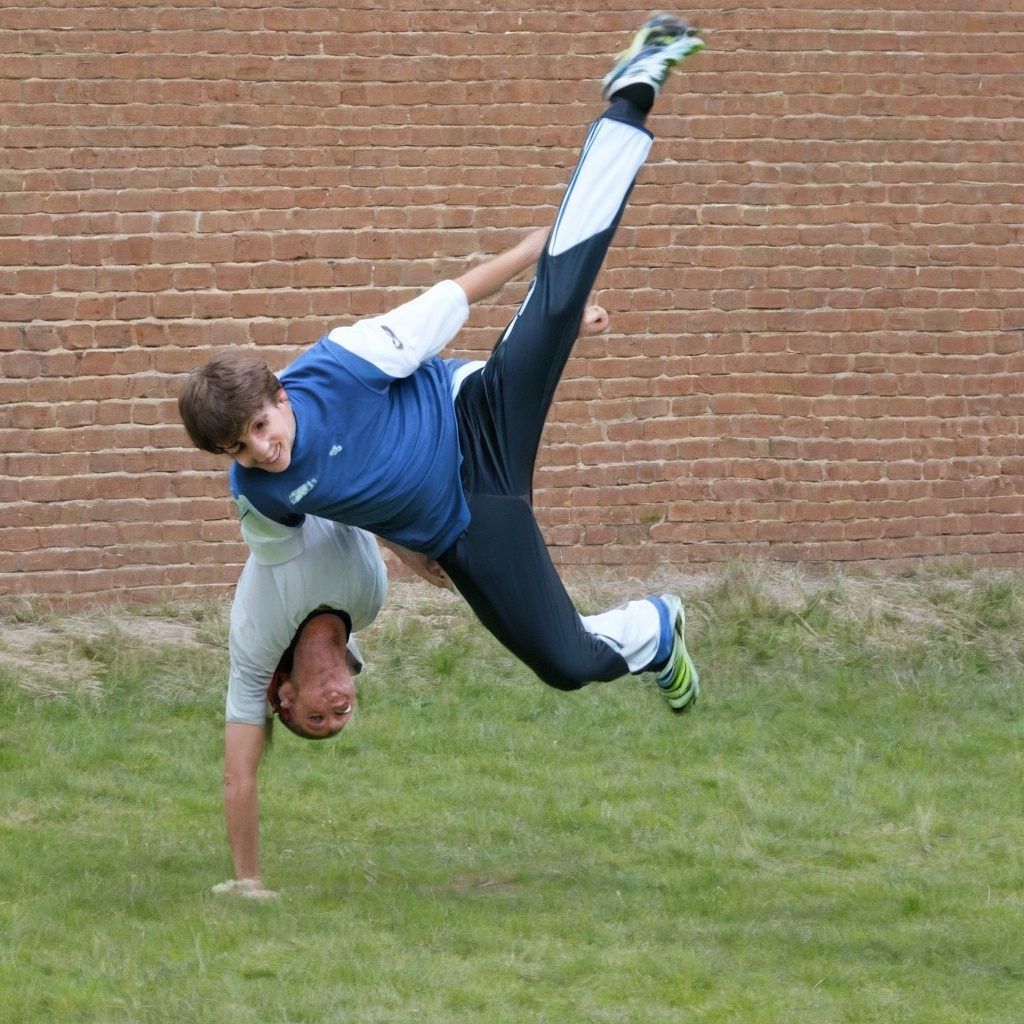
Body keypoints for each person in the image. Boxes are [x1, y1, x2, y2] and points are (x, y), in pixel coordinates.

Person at [179, 15, 706, 737]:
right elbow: (336, 501)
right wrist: (404, 544)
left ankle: (634, 90)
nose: (261, 449)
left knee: (560, 290)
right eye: (240, 448)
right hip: (465, 526)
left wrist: (534, 249)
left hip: (477, 417)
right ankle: (655, 631)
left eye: (261, 426)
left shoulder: (344, 362)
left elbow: (453, 297)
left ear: (280, 393)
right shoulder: (261, 497)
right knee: (564, 661)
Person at [212, 510, 388, 898]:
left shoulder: (257, 646)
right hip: (345, 486)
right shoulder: (368, 602)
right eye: (341, 713)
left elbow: (238, 775)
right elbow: (384, 513)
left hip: (274, 505)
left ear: (287, 697)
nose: (335, 706)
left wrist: (247, 881)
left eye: (317, 716)